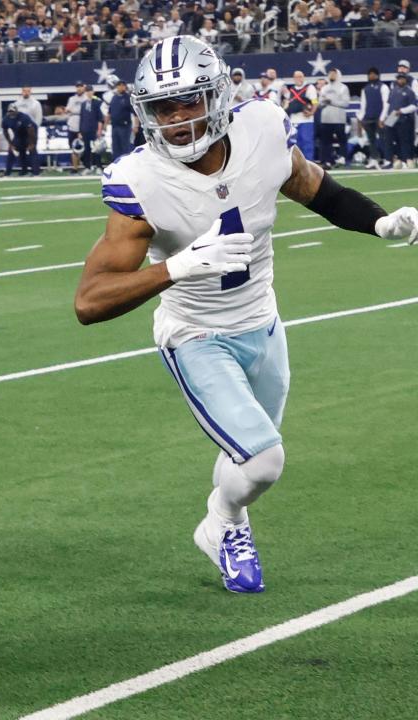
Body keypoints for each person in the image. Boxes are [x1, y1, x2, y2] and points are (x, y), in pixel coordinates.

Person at [74, 35, 418, 595]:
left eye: (189, 101)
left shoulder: (261, 127)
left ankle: (222, 520)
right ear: (145, 113)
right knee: (263, 460)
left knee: (247, 453)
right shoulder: (141, 180)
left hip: (263, 320)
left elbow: (315, 188)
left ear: (220, 95)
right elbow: (89, 301)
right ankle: (228, 522)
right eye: (164, 107)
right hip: (196, 332)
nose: (179, 119)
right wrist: (178, 267)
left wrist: (379, 223)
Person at [317, 68, 350, 169]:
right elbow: (319, 104)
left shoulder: (343, 88)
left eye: (334, 73)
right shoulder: (324, 88)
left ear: (338, 75)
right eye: (330, 73)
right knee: (326, 142)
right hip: (326, 118)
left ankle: (342, 159)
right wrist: (323, 102)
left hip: (339, 119)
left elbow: (346, 103)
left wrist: (331, 101)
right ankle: (327, 161)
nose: (332, 75)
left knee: (342, 140)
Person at [357, 68, 389, 170]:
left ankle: (387, 159)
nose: (371, 76)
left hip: (379, 118)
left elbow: (386, 103)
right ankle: (374, 159)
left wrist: (382, 118)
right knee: (371, 140)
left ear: (377, 75)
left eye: (373, 74)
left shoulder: (383, 87)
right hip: (368, 118)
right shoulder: (365, 89)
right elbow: (363, 105)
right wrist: (361, 118)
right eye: (369, 74)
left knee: (384, 139)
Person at [281, 70, 317, 161]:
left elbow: (315, 101)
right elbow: (287, 104)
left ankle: (309, 162)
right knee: (296, 144)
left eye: (300, 76)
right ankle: (297, 164)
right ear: (293, 78)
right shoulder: (291, 90)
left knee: (307, 141)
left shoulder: (309, 87)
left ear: (303, 77)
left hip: (306, 120)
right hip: (294, 120)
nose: (298, 79)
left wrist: (312, 112)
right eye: (296, 77)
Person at [385, 72, 417, 169]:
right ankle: (390, 160)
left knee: (403, 140)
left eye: (402, 79)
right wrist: (383, 118)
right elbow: (388, 104)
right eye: (398, 79)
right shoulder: (393, 91)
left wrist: (402, 111)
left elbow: (414, 106)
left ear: (405, 80)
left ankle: (404, 160)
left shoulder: (409, 91)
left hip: (403, 118)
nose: (400, 80)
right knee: (388, 139)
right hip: (392, 116)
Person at [12, 86, 43, 174]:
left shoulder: (36, 104)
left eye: (28, 91)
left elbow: (38, 118)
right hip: (20, 131)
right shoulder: (17, 104)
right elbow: (14, 117)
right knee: (21, 151)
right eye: (24, 91)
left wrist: (35, 129)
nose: (26, 92)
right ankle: (24, 170)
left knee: (32, 149)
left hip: (31, 130)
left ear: (30, 92)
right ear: (22, 91)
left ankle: (35, 170)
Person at [1, 105, 35, 176]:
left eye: (12, 111)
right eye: (10, 112)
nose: (11, 113)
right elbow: (5, 131)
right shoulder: (6, 119)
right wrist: (10, 144)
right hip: (17, 135)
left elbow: (31, 130)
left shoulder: (24, 117)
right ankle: (8, 173)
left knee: (32, 151)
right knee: (12, 151)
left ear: (16, 111)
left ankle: (35, 172)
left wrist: (31, 143)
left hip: (28, 134)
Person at [78, 85, 104, 174]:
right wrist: (80, 131)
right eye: (87, 91)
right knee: (87, 149)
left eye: (90, 91)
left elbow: (100, 118)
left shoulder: (97, 103)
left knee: (96, 149)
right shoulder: (83, 104)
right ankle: (88, 167)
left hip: (94, 129)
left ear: (93, 92)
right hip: (85, 129)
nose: (89, 93)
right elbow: (81, 118)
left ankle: (99, 166)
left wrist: (99, 130)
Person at [107, 78, 134, 159]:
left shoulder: (128, 98)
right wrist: (105, 124)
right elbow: (109, 112)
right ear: (116, 87)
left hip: (124, 127)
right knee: (115, 146)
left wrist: (136, 126)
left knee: (125, 146)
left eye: (123, 85)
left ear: (125, 87)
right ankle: (116, 164)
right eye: (119, 85)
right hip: (114, 126)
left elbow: (135, 113)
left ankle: (126, 165)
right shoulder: (114, 98)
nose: (121, 87)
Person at [65, 81, 87, 173]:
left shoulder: (86, 98)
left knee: (85, 147)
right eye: (77, 86)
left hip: (83, 125)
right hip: (72, 125)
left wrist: (74, 111)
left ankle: (86, 166)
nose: (79, 88)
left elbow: (84, 112)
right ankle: (75, 168)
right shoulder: (72, 99)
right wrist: (76, 111)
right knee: (73, 148)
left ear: (84, 87)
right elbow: (67, 110)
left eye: (80, 86)